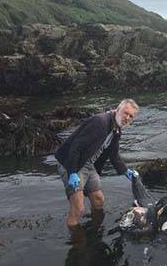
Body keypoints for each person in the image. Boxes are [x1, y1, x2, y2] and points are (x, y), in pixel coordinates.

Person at [56, 98, 140, 228]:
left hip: (88, 164)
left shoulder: (116, 129)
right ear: (117, 110)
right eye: (125, 113)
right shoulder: (100, 122)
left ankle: (95, 231)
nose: (127, 118)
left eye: (131, 116)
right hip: (72, 163)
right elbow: (76, 147)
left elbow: (114, 155)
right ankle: (77, 243)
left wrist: (125, 171)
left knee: (98, 200)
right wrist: (72, 173)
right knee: (78, 209)